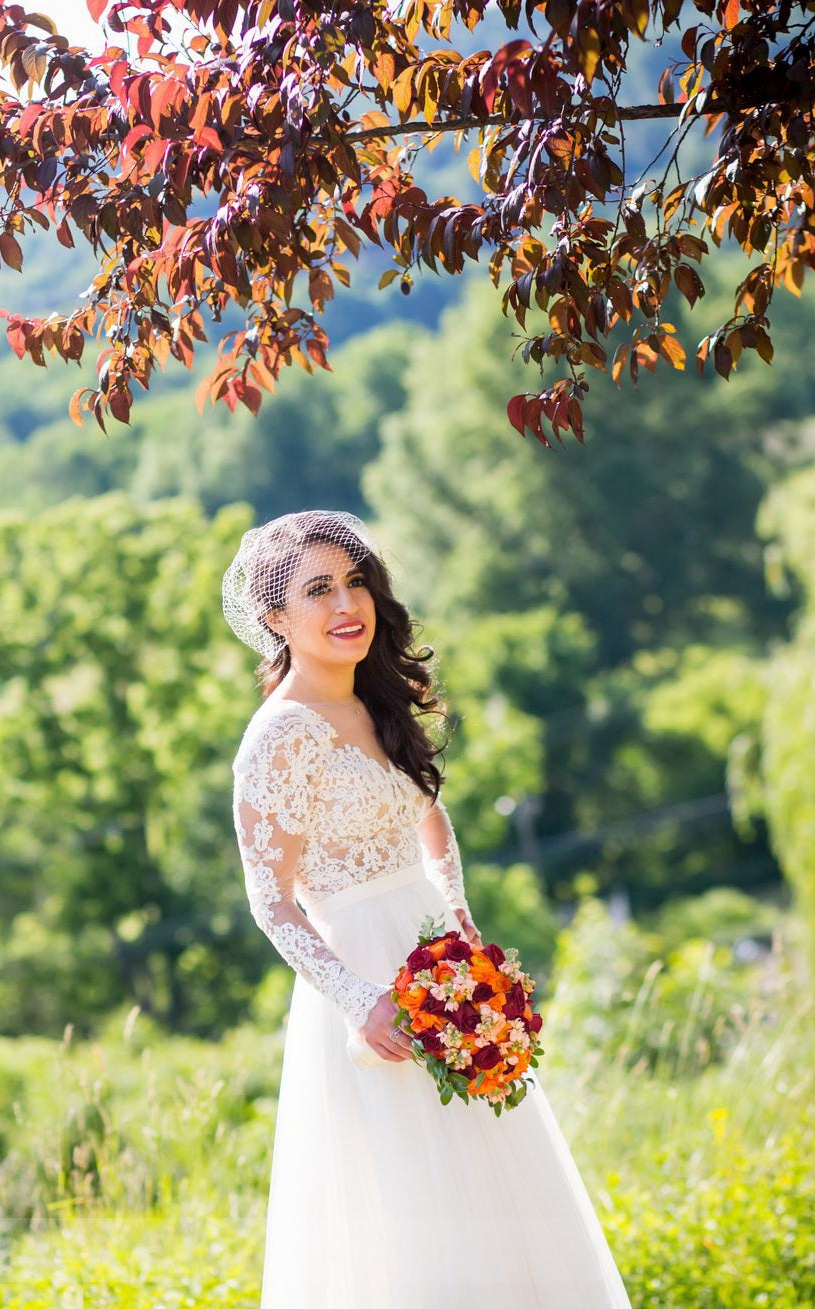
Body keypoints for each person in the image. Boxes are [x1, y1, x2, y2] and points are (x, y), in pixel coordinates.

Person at [223, 509, 632, 1307]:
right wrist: (359, 1002)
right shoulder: (277, 738)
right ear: (275, 618)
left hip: (439, 966)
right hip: (367, 990)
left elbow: (426, 810)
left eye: (356, 581)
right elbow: (270, 900)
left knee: (497, 1200)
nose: (347, 604)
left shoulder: (376, 702)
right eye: (318, 590)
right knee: (410, 1220)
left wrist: (457, 910)